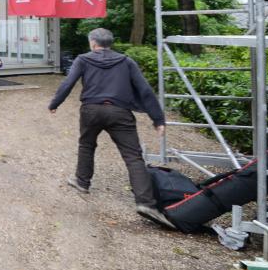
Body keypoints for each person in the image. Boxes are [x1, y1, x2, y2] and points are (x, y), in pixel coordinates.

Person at [48, 27, 175, 229]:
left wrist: (55, 103)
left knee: (87, 145)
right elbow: (145, 89)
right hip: (120, 112)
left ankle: (82, 182)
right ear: (110, 43)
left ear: (93, 42)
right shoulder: (126, 62)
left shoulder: (83, 59)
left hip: (91, 110)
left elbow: (68, 83)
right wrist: (157, 119)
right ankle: (145, 203)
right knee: (133, 156)